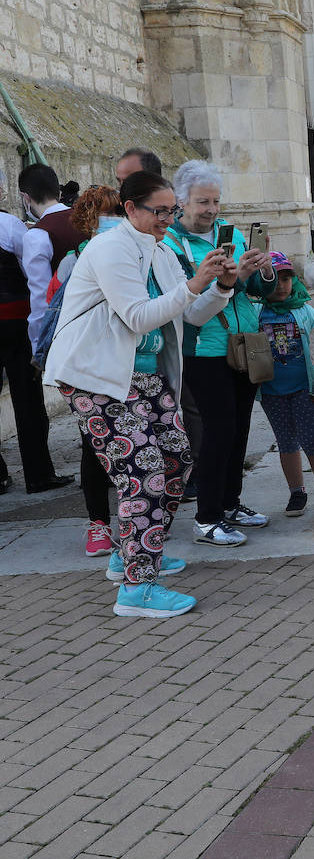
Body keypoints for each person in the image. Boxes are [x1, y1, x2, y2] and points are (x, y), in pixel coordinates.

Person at [42, 170, 236, 617]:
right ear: (130, 209)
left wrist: (222, 285)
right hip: (97, 376)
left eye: (173, 211)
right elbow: (137, 317)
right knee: (144, 474)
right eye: (160, 211)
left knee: (176, 462)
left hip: (143, 376)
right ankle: (136, 588)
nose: (168, 219)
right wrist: (193, 284)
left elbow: (191, 316)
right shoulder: (111, 248)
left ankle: (131, 553)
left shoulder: (160, 250)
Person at [166, 160, 275, 546]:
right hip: (204, 350)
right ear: (181, 202)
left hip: (244, 345)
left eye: (215, 201)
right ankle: (206, 517)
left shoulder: (228, 233)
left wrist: (258, 271)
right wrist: (225, 283)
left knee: (239, 428)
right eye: (202, 202)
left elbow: (255, 292)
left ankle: (230, 504)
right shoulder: (171, 245)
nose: (210, 209)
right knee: (218, 430)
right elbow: (191, 313)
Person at [57, 185, 125, 557]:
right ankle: (99, 524)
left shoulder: (133, 253)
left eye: (117, 211)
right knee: (93, 447)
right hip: (88, 366)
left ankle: (129, 524)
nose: (112, 219)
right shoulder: (75, 259)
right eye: (106, 212)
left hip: (126, 362)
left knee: (126, 447)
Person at [0, 167, 66, 497]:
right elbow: (31, 272)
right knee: (27, 399)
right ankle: (38, 474)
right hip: (13, 320)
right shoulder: (9, 224)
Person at [251, 253, 314, 516]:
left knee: (313, 440)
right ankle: (297, 492)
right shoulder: (257, 313)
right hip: (271, 391)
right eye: (275, 279)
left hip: (305, 389)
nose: (282, 285)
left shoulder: (305, 311)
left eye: (287, 278)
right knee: (285, 442)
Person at [20, 165, 81, 364]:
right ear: (58, 191)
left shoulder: (37, 235)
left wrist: (39, 346)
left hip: (64, 330)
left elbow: (41, 297)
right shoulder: (86, 220)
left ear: (26, 198)